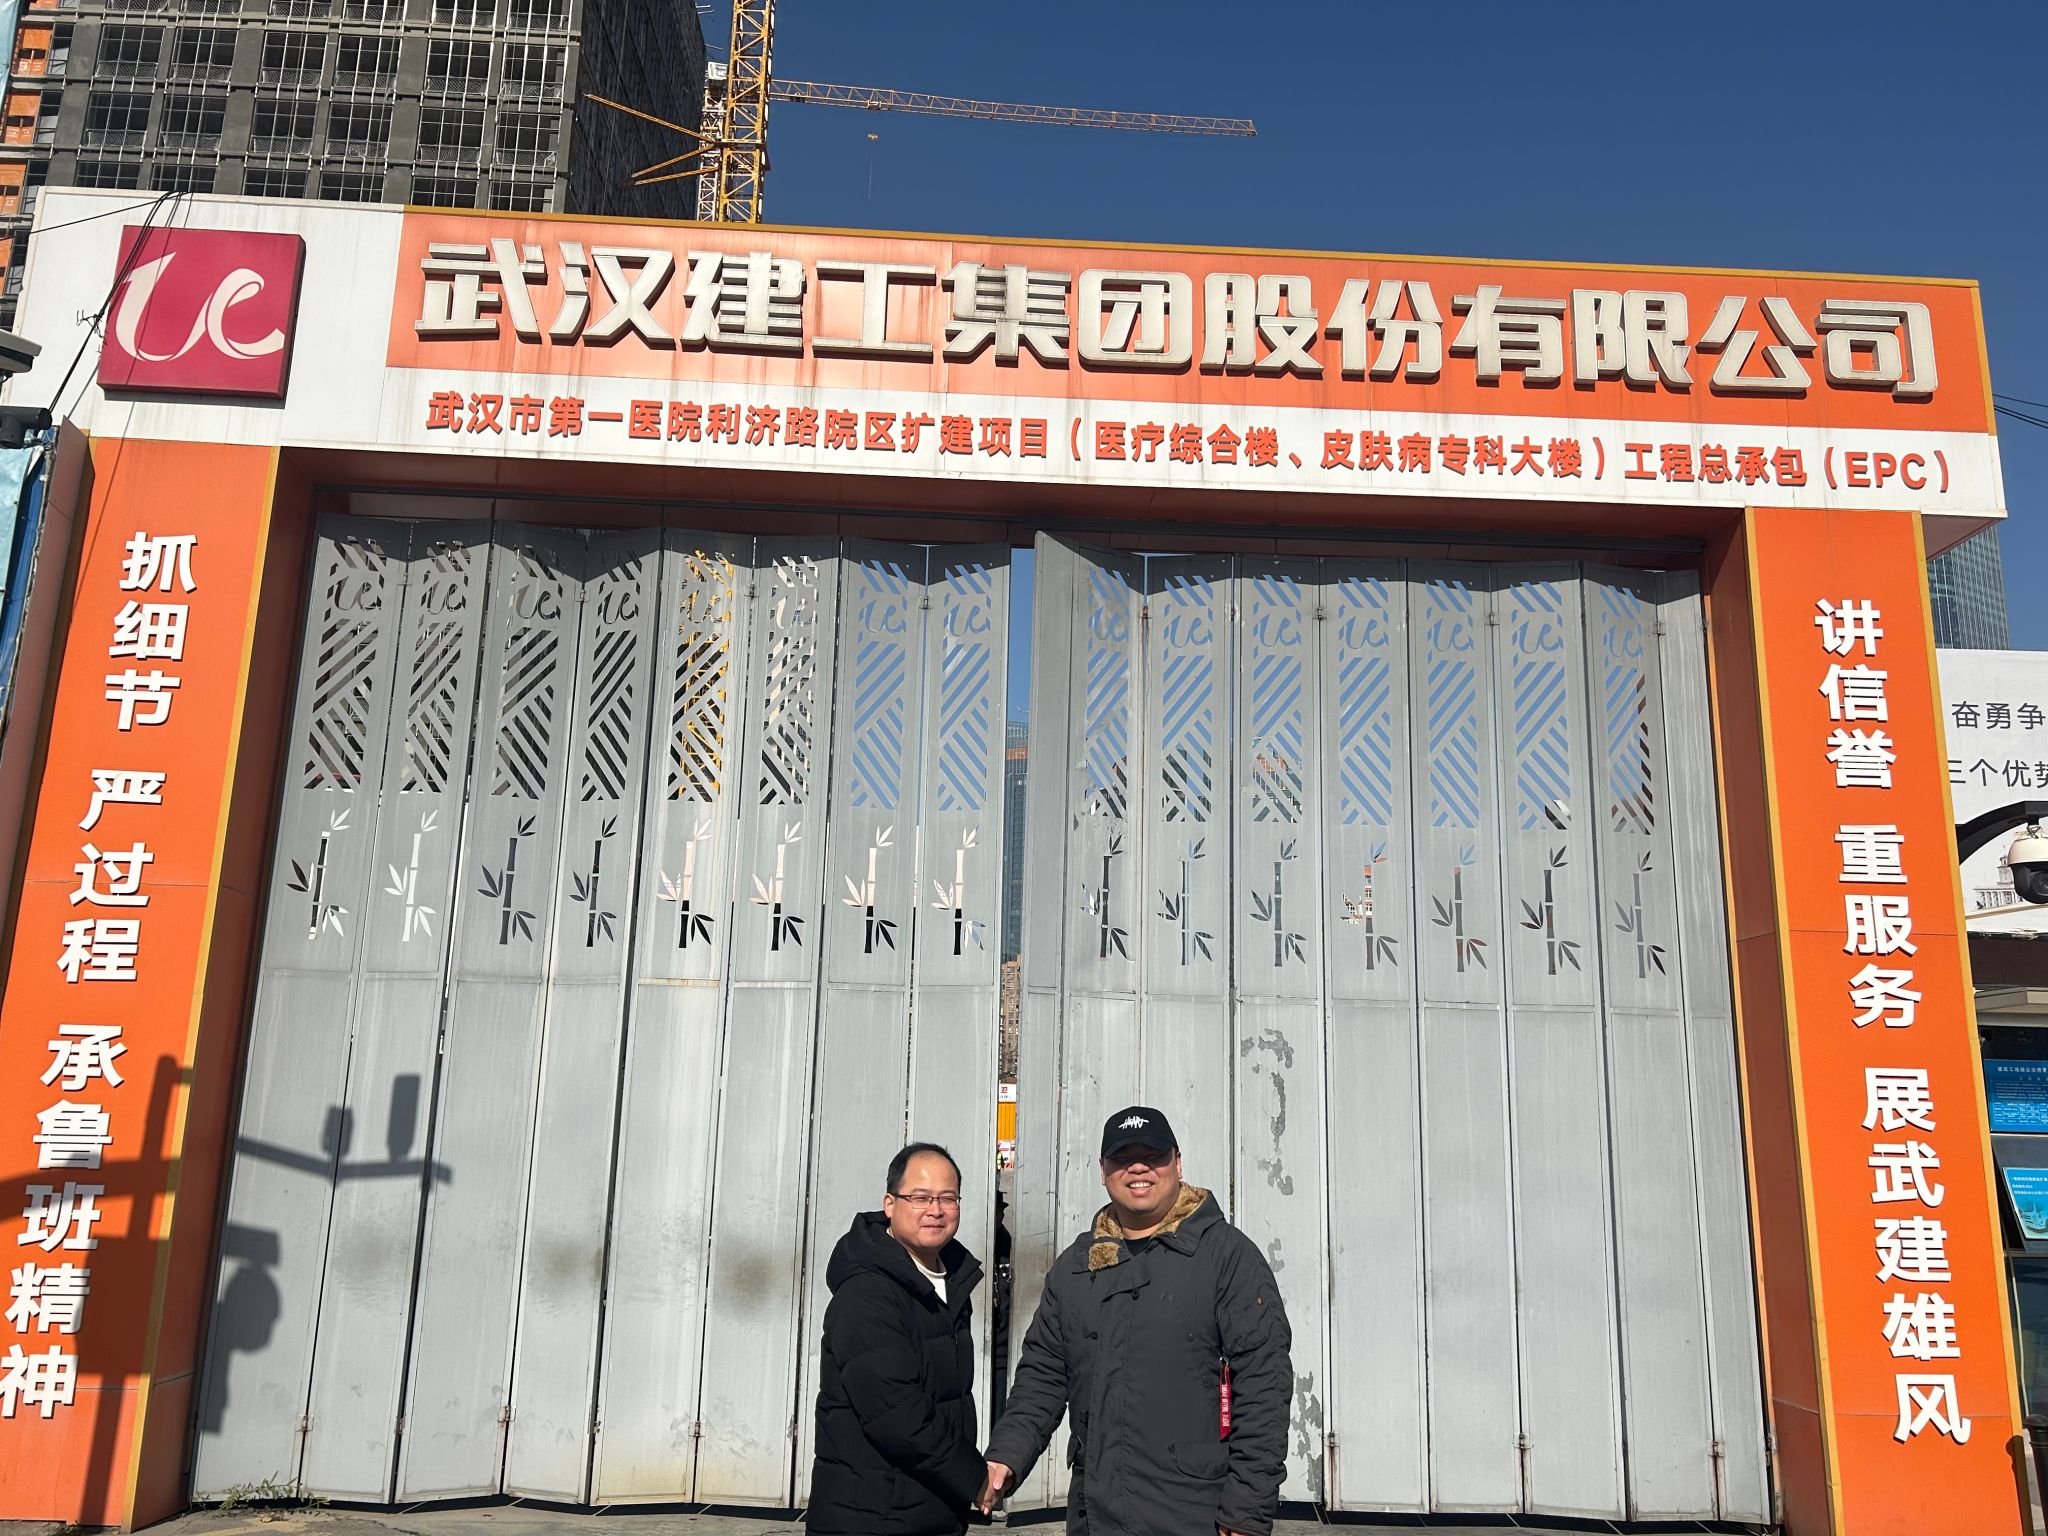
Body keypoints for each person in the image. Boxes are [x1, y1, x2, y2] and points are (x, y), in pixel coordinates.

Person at [980, 1107, 1292, 1536]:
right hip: (1094, 1516)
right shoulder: (1077, 1265)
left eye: (1153, 1155)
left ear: (1177, 1163)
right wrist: (1007, 1455)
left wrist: (1247, 1511)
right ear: (1103, 1171)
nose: (1138, 1167)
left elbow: (1264, 1387)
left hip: (1194, 1515)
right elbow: (1043, 1375)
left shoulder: (1227, 1257)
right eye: (1123, 1158)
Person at [807, 1141, 987, 1536]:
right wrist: (976, 1478)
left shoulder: (949, 1281)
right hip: (872, 1516)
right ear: (890, 1204)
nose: (935, 1210)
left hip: (929, 1507)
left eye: (948, 1198)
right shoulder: (867, 1293)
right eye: (920, 1198)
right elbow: (897, 1414)